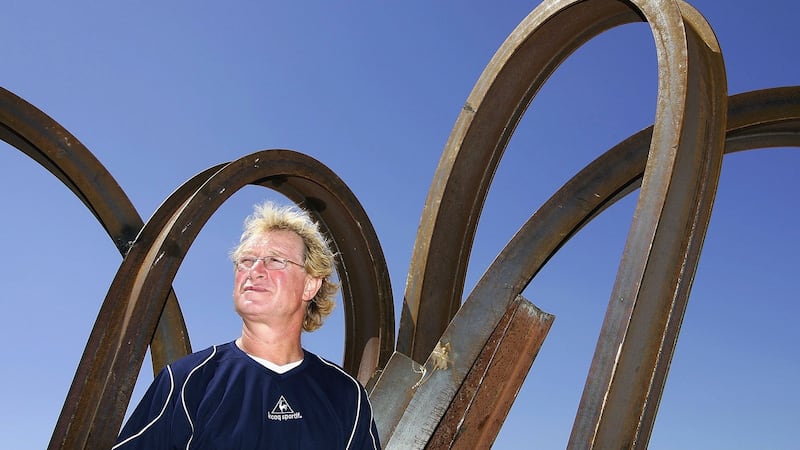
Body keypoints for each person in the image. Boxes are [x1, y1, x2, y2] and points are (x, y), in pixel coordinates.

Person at [114, 201, 381, 449]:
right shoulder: (187, 381)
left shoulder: (346, 395)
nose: (254, 270)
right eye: (246, 261)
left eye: (275, 260)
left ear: (310, 284)